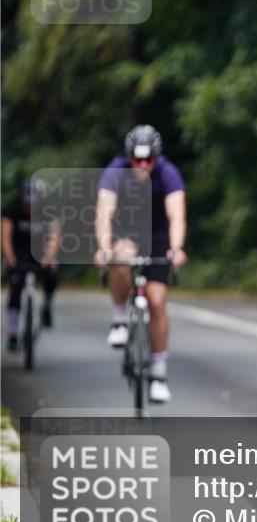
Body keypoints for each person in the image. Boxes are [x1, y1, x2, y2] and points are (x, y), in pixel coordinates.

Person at [93, 125, 188, 404]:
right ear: (128, 156)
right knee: (121, 258)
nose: (143, 165)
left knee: (157, 303)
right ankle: (120, 319)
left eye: (149, 159)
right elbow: (104, 211)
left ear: (157, 157)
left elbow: (177, 215)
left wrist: (176, 248)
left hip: (157, 236)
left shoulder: (168, 173)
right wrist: (103, 247)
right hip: (126, 233)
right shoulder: (115, 171)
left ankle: (158, 374)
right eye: (138, 159)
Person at [2, 179, 60, 351]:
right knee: (15, 284)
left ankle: (47, 307)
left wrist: (49, 255)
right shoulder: (12, 207)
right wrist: (9, 256)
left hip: (40, 250)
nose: (30, 206)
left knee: (52, 272)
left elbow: (55, 236)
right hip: (18, 252)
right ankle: (12, 333)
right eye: (27, 202)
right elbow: (5, 235)